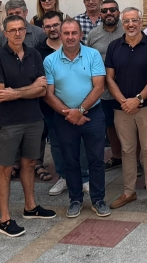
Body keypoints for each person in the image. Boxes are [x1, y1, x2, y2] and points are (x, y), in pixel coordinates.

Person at [0, 15, 56, 237]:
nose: (18, 33)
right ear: (5, 33)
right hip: (8, 123)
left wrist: (15, 92)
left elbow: (42, 90)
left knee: (29, 163)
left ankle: (30, 206)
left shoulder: (34, 54)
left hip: (33, 118)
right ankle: (6, 218)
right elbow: (0, 95)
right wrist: (29, 89)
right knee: (6, 168)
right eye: (13, 30)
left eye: (21, 29)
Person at [44, 19, 109, 219]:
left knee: (96, 159)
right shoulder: (50, 61)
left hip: (93, 115)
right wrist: (69, 113)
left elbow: (99, 86)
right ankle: (75, 199)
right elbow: (48, 94)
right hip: (64, 118)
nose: (70, 37)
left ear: (81, 34)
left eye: (74, 33)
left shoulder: (93, 55)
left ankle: (98, 199)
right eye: (66, 33)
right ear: (60, 35)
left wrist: (79, 111)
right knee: (70, 160)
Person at [104, 7, 147, 209]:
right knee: (127, 151)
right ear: (122, 22)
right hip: (122, 108)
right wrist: (123, 101)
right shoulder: (114, 47)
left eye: (134, 20)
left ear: (141, 21)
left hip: (146, 106)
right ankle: (129, 192)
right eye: (126, 21)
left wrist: (137, 99)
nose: (130, 24)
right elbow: (109, 78)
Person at [85, 0, 127, 171]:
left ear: (118, 12)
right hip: (103, 90)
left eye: (113, 10)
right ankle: (117, 156)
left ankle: (135, 159)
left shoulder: (127, 30)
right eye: (105, 11)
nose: (109, 13)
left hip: (126, 87)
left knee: (130, 125)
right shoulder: (93, 35)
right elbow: (87, 58)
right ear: (100, 14)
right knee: (110, 125)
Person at [35, 11, 73, 192]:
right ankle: (63, 177)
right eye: (48, 26)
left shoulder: (75, 45)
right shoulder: (37, 51)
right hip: (50, 107)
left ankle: (83, 178)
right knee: (57, 143)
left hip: (77, 104)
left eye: (55, 25)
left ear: (62, 25)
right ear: (43, 29)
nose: (52, 29)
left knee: (79, 144)